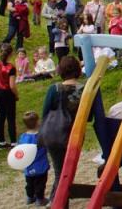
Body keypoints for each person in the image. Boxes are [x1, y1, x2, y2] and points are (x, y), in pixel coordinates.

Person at [42, 55, 84, 198]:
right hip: (75, 135)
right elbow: (88, 117)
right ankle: (58, 198)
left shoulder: (54, 89)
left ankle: (57, 199)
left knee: (60, 171)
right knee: (68, 170)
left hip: (55, 134)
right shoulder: (83, 90)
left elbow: (45, 113)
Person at [18, 111, 49, 205]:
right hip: (40, 166)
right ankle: (40, 199)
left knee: (29, 183)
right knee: (40, 184)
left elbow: (20, 151)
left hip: (28, 166)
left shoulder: (23, 137)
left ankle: (30, 197)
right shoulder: (41, 136)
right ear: (37, 122)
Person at [0, 43, 18, 149]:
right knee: (11, 118)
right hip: (7, 93)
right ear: (11, 54)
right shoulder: (11, 67)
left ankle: (2, 142)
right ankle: (13, 142)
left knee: (1, 117)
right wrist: (16, 95)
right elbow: (12, 85)